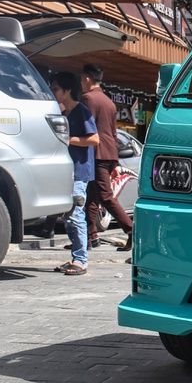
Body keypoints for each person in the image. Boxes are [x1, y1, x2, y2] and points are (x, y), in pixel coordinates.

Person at [49, 72, 99, 276]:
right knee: (68, 216)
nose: (53, 93)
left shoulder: (80, 111)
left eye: (56, 89)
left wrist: (68, 139)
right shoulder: (63, 114)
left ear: (67, 90)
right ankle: (76, 256)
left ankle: (81, 260)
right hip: (66, 171)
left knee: (76, 215)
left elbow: (94, 139)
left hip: (79, 171)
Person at [81, 63, 134, 252]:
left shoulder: (88, 99)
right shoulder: (108, 101)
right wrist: (115, 161)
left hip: (97, 154)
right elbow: (113, 132)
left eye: (82, 79)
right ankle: (90, 235)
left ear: (87, 79)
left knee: (105, 196)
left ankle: (131, 231)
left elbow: (86, 126)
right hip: (110, 153)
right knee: (93, 196)